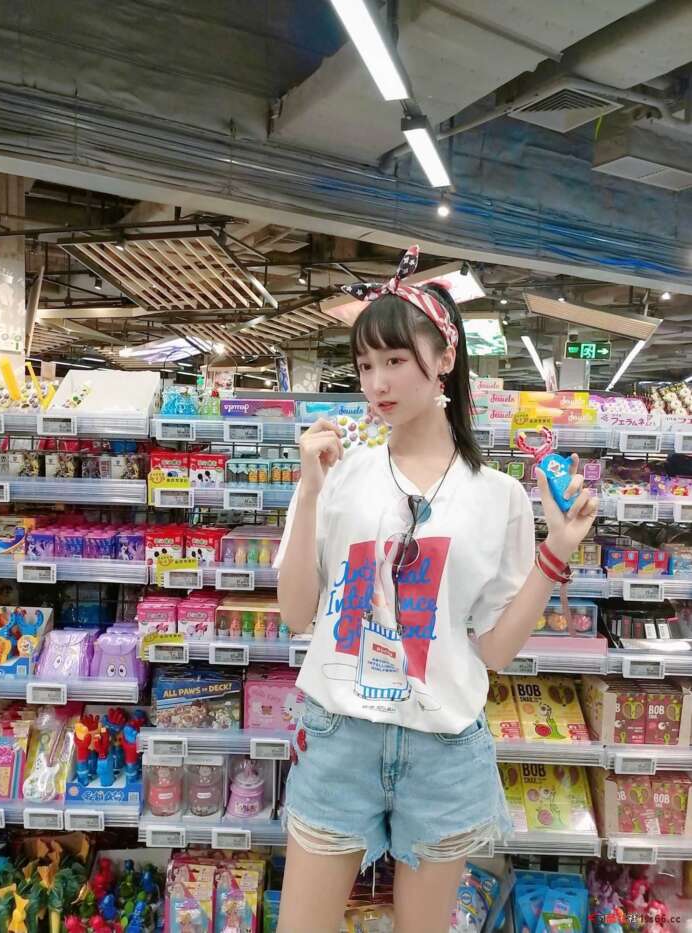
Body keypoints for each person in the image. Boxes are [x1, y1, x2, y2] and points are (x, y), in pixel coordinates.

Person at [274, 246, 599, 933]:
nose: (377, 382)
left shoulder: (498, 496)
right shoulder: (340, 474)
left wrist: (559, 549)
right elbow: (297, 612)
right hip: (339, 735)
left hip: (443, 749)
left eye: (395, 359)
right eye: (365, 364)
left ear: (445, 357)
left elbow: (495, 651)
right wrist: (309, 489)